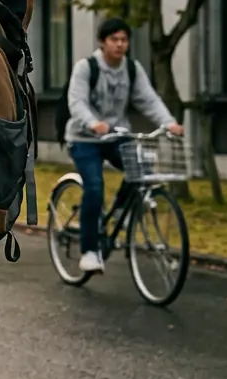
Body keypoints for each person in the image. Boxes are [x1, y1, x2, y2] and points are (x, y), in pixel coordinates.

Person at [65, 17, 183, 273]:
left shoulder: (131, 68)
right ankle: (89, 251)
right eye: (114, 40)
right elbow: (76, 103)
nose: (120, 45)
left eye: (124, 40)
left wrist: (169, 123)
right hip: (84, 139)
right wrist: (93, 122)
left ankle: (119, 214)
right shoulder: (86, 68)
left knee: (142, 167)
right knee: (95, 188)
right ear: (102, 42)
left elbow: (149, 99)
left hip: (116, 135)